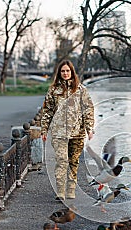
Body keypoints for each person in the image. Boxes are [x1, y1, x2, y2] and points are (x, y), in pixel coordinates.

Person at [41, 60, 95, 200]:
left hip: (77, 132)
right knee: (61, 160)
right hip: (59, 132)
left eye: (68, 71)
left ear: (72, 72)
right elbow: (47, 111)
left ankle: (71, 189)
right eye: (63, 71)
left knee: (73, 161)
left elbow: (88, 110)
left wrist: (90, 129)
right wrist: (44, 129)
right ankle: (60, 192)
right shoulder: (53, 90)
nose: (65, 73)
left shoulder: (81, 90)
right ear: (59, 73)